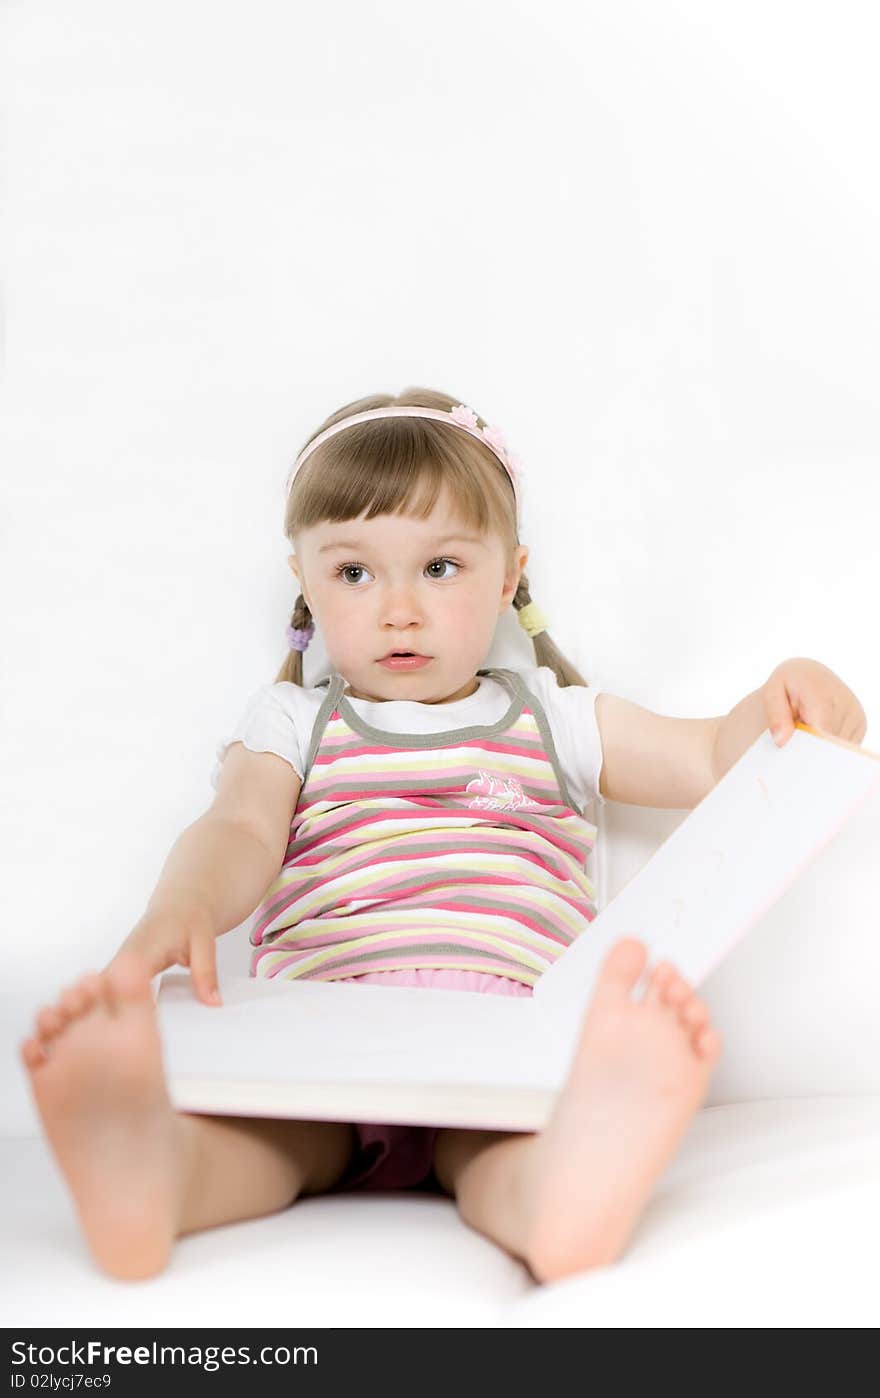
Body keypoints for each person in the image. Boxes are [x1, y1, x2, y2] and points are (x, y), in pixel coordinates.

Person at [20, 387, 868, 1286]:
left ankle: (565, 1196)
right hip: (324, 1037)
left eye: (440, 568)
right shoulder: (292, 723)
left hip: (503, 1036)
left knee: (505, 1151)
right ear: (305, 582)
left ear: (508, 578)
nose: (398, 609)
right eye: (354, 573)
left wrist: (784, 697)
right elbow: (236, 826)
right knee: (264, 1147)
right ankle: (148, 1176)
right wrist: (182, 905)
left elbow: (705, 755)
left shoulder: (555, 716)